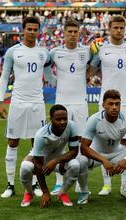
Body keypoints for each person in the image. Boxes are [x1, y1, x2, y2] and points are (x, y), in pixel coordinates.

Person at [0, 16, 52, 198]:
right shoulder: (13, 52)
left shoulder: (44, 53)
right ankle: (10, 185)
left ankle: (36, 183)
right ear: (23, 30)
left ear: (39, 31)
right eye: (29, 29)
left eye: (35, 29)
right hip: (18, 103)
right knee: (13, 142)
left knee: (37, 144)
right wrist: (0, 101)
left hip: (37, 103)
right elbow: (4, 77)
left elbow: (50, 78)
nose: (32, 32)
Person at [90, 15, 126, 196]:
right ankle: (106, 185)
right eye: (115, 27)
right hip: (106, 101)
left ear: (125, 29)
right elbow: (91, 70)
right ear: (109, 28)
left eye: (121, 28)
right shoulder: (100, 48)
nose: (118, 31)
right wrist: (91, 54)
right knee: (103, 143)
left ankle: (125, 187)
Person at [77, 90, 126, 204]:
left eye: (117, 104)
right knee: (81, 161)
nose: (114, 107)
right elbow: (84, 148)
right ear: (103, 105)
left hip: (117, 153)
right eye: (110, 104)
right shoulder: (94, 120)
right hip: (97, 155)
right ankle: (84, 192)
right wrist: (103, 160)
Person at [49, 19, 91, 195]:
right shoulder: (54, 52)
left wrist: (87, 77)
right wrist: (56, 83)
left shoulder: (87, 51)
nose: (73, 34)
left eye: (76, 31)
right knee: (59, 143)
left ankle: (82, 185)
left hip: (81, 103)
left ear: (79, 33)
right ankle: (59, 182)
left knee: (82, 143)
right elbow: (45, 70)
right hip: (62, 103)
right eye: (70, 31)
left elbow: (95, 66)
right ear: (64, 33)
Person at [19, 104, 80, 207]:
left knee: (75, 165)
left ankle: (62, 193)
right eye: (58, 119)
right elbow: (38, 165)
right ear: (51, 119)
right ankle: (29, 193)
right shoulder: (41, 135)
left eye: (65, 119)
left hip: (57, 160)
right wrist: (45, 192)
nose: (62, 122)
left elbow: (74, 151)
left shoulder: (72, 126)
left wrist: (55, 161)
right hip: (40, 160)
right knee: (25, 167)